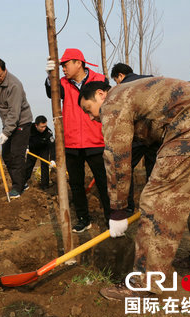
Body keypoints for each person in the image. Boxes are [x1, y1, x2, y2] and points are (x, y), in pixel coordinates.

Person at [78, 78, 190, 300]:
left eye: (89, 109)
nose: (91, 116)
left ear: (101, 95)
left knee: (155, 199)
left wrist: (118, 209)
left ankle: (143, 283)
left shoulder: (113, 101)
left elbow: (116, 157)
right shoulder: (134, 91)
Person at [45, 48, 111, 232]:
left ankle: (110, 219)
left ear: (78, 63)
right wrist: (49, 77)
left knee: (103, 182)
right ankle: (83, 218)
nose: (63, 69)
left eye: (65, 65)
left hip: (96, 140)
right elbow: (52, 93)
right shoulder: (62, 84)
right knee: (76, 183)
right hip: (72, 142)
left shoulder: (100, 79)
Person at [110, 63, 158, 213]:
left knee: (125, 168)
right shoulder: (152, 80)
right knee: (154, 170)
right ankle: (154, 206)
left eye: (116, 80)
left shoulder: (123, 87)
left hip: (137, 136)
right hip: (156, 133)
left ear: (120, 76)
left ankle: (128, 207)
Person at [0, 58, 33, 199]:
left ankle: (18, 187)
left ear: (5, 70)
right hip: (8, 123)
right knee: (6, 155)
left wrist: (6, 132)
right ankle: (22, 182)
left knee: (17, 154)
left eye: (0, 75)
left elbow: (14, 113)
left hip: (21, 122)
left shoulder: (14, 85)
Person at [24, 115, 56, 190]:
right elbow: (23, 138)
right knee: (28, 165)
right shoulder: (29, 128)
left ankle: (45, 186)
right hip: (32, 149)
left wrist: (52, 159)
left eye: (45, 126)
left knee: (45, 165)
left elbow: (52, 146)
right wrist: (25, 147)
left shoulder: (48, 132)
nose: (44, 128)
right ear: (36, 125)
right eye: (42, 127)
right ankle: (23, 183)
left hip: (43, 149)